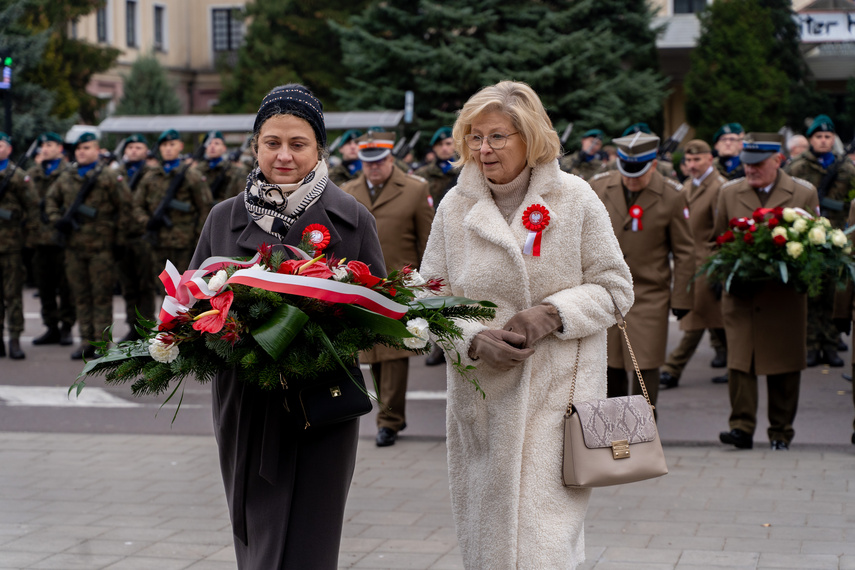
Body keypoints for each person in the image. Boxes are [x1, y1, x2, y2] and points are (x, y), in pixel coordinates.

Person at [419, 80, 633, 569]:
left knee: (543, 548)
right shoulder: (455, 207)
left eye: (497, 136)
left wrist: (552, 313)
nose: (483, 149)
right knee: (489, 546)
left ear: (530, 137)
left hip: (559, 402)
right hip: (482, 405)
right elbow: (425, 298)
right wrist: (472, 341)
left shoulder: (575, 198)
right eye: (474, 137)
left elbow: (616, 289)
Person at [190, 84, 385, 569]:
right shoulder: (225, 218)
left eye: (298, 144)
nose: (283, 155)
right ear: (255, 146)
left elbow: (378, 310)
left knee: (314, 526)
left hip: (323, 394)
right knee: (253, 520)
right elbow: (191, 302)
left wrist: (321, 328)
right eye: (272, 142)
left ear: (319, 148)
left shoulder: (351, 218)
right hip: (245, 397)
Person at [715, 133, 819, 451]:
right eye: (747, 164)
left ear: (778, 160)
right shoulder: (729, 192)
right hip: (742, 294)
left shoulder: (803, 192)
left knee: (784, 363)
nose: (750, 170)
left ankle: (781, 432)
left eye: (758, 164)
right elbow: (716, 237)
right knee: (740, 361)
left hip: (783, 296)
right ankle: (741, 428)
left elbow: (816, 241)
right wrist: (724, 272)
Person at [341, 131, 434, 447]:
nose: (374, 168)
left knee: (393, 355)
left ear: (391, 159)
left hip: (399, 284)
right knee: (369, 354)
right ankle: (374, 413)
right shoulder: (348, 192)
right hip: (360, 284)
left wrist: (427, 285)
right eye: (368, 162)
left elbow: (428, 243)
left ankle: (389, 421)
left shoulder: (415, 190)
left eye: (380, 161)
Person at [590, 132, 694, 409]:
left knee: (645, 367)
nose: (631, 178)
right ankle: (614, 440)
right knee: (609, 368)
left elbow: (684, 251)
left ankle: (646, 441)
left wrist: (682, 298)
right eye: (627, 170)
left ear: (654, 164)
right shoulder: (599, 187)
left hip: (649, 294)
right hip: (604, 293)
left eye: (639, 172)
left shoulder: (672, 195)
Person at [45, 132, 133, 360]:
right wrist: (58, 220)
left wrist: (119, 242)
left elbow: (125, 208)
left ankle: (101, 343)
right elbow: (50, 201)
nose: (81, 152)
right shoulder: (67, 177)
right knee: (81, 296)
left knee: (101, 297)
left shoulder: (109, 177)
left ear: (96, 150)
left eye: (86, 148)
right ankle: (85, 340)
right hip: (74, 248)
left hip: (101, 249)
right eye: (78, 149)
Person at [785, 115, 855, 367]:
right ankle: (811, 345)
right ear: (811, 139)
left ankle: (831, 344)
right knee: (810, 295)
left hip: (837, 240)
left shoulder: (846, 167)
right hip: (807, 238)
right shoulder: (797, 167)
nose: (824, 141)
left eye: (828, 136)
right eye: (818, 137)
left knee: (833, 295)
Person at [660, 140, 729, 389]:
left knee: (695, 315)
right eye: (688, 160)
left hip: (707, 261)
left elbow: (723, 231)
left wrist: (719, 266)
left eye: (697, 160)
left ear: (710, 159)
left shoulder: (719, 189)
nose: (692, 165)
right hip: (690, 261)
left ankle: (672, 368)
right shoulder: (688, 186)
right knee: (714, 317)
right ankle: (736, 360)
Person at [133, 129, 213, 274]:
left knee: (185, 288)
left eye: (172, 144)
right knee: (164, 288)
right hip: (158, 241)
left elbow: (204, 208)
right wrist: (147, 222)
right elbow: (137, 205)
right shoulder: (150, 176)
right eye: (164, 145)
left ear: (180, 146)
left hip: (185, 243)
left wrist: (198, 238)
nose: (168, 149)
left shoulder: (192, 175)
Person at [26, 132, 75, 347]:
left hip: (62, 239)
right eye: (42, 145)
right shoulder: (32, 173)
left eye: (49, 144)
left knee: (66, 287)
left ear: (60, 149)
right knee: (44, 287)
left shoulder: (69, 173)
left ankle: (66, 327)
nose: (45, 148)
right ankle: (51, 327)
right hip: (38, 239)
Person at [0, 132, 39, 359]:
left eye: (1, 145)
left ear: (9, 149)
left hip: (12, 245)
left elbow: (32, 209)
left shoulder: (19, 177)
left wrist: (29, 242)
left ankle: (14, 339)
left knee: (12, 295)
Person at [116, 134, 156, 341]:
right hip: (122, 237)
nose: (133, 151)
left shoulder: (152, 174)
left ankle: (146, 327)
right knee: (128, 286)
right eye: (130, 147)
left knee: (145, 286)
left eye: (138, 147)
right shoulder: (117, 174)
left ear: (146, 151)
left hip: (143, 237)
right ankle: (132, 325)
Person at [193, 130, 249, 204]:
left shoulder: (233, 170)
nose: (212, 146)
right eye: (209, 143)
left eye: (217, 143)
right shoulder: (197, 170)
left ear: (224, 148)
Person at [413, 126, 460, 209]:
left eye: (448, 143)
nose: (444, 148)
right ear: (434, 148)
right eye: (439, 145)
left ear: (455, 145)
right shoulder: (421, 174)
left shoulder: (463, 171)